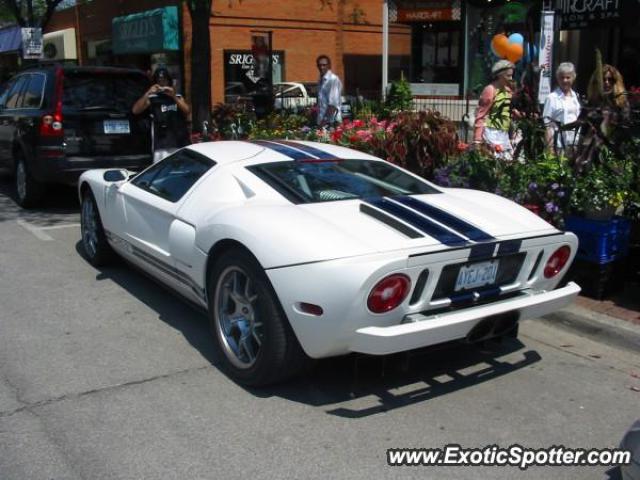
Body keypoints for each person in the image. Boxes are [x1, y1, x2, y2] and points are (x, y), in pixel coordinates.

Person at [132, 67, 191, 163]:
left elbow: (187, 111)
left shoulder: (178, 97)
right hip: (161, 143)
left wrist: (173, 96)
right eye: (159, 80)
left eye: (164, 80)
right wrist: (148, 93)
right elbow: (135, 110)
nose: (162, 83)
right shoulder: (152, 98)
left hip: (178, 141)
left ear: (169, 81)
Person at [473, 60, 518, 158]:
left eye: (511, 75)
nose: (511, 79)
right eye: (508, 76)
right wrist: (477, 139)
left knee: (508, 163)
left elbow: (508, 111)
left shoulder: (508, 90)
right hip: (491, 131)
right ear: (499, 75)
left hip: (504, 132)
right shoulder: (490, 90)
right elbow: (481, 114)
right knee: (495, 162)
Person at [542, 62, 581, 152]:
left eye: (568, 77)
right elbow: (547, 126)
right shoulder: (551, 98)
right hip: (558, 145)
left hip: (575, 144)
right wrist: (550, 150)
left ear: (573, 78)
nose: (565, 80)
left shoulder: (577, 97)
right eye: (562, 77)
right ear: (558, 79)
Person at [316, 55, 342, 127]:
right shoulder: (320, 81)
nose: (321, 67)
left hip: (332, 122)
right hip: (323, 122)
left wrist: (323, 123)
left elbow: (333, 105)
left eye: (324, 65)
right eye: (319, 65)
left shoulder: (333, 80)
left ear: (329, 66)